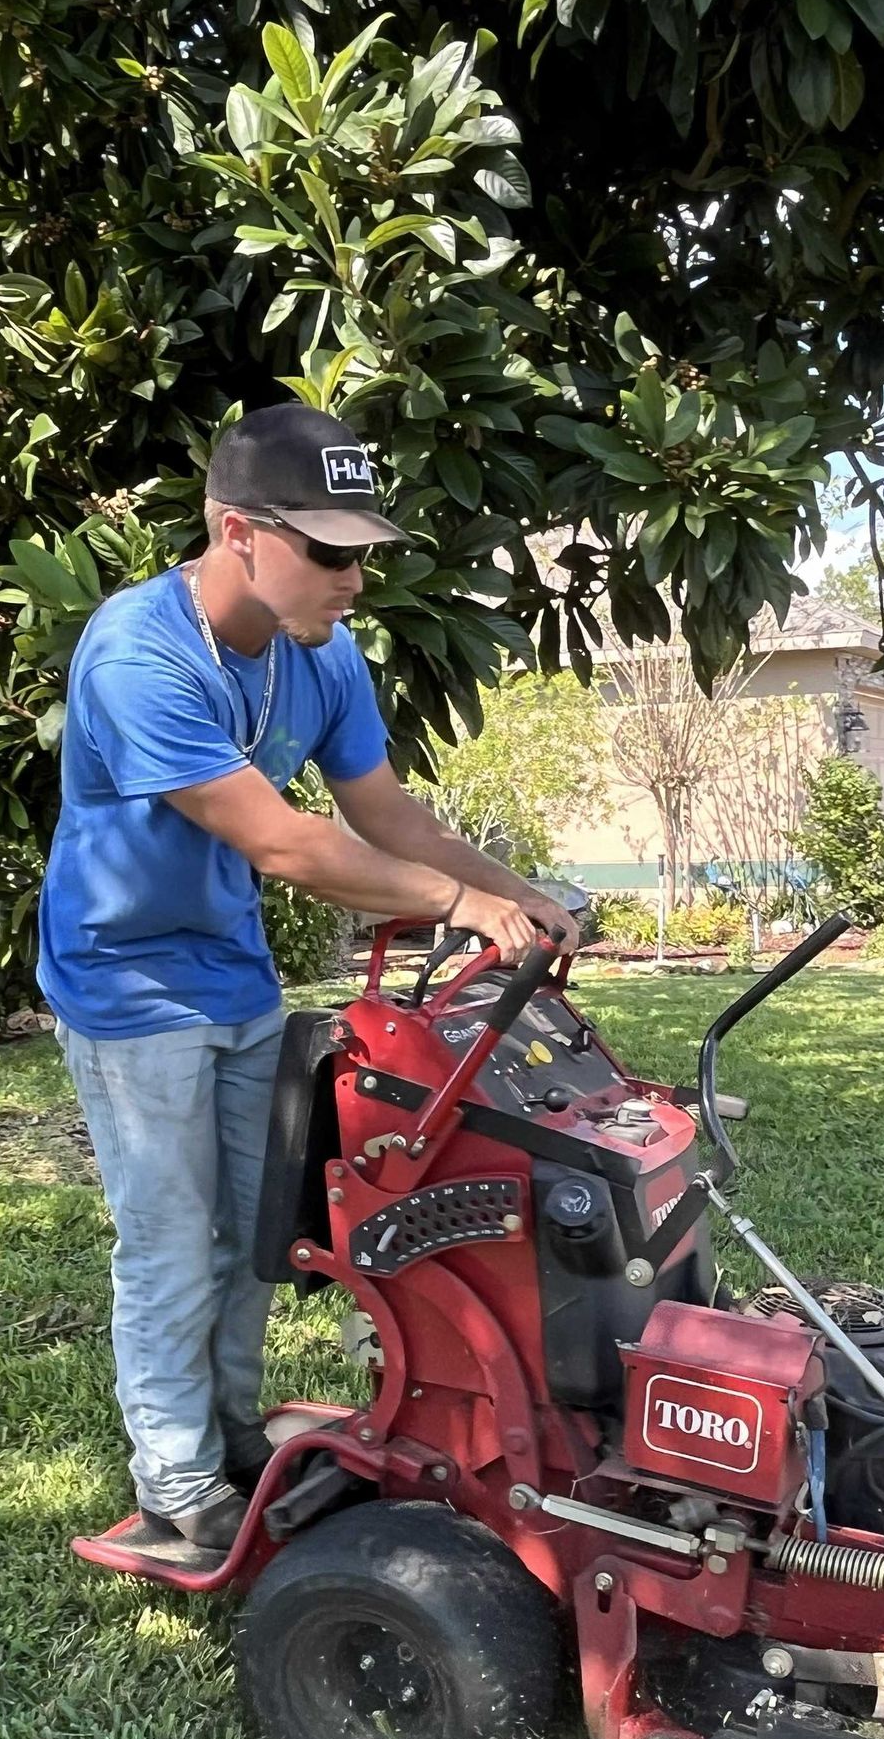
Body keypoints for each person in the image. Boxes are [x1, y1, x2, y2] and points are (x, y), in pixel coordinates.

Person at [39, 403, 579, 1563]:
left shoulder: (321, 655)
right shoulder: (139, 653)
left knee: (252, 1233)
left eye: (363, 552)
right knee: (170, 1238)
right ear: (239, 532)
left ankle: (234, 1439)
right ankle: (178, 1483)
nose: (353, 580)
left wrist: (515, 892)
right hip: (126, 988)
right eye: (329, 552)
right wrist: (455, 907)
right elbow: (285, 843)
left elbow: (383, 814)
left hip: (233, 975)